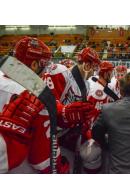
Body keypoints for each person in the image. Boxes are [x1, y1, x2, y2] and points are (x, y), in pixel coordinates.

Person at [0, 37, 95, 173]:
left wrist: (63, 112)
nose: (46, 71)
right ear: (34, 65)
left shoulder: (14, 80)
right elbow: (43, 161)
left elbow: (49, 104)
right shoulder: (34, 95)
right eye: (44, 65)